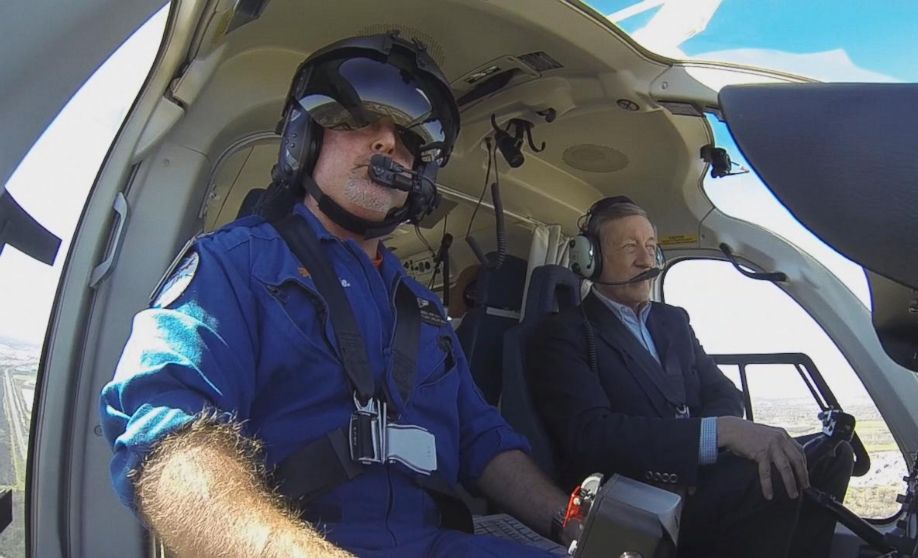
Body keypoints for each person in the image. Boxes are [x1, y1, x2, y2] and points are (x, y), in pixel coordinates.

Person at [100, 34, 570, 557]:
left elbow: (483, 441)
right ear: (305, 139)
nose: (389, 143)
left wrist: (570, 521)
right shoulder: (230, 264)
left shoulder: (426, 311)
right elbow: (171, 438)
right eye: (358, 119)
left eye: (411, 137)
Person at [528, 196, 854, 558]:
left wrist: (706, 450)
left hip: (698, 476)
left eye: (651, 247)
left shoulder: (674, 321)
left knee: (834, 455)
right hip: (641, 492)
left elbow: (722, 391)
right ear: (590, 259)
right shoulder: (565, 333)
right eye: (630, 247)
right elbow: (591, 435)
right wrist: (719, 434)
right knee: (774, 479)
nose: (646, 259)